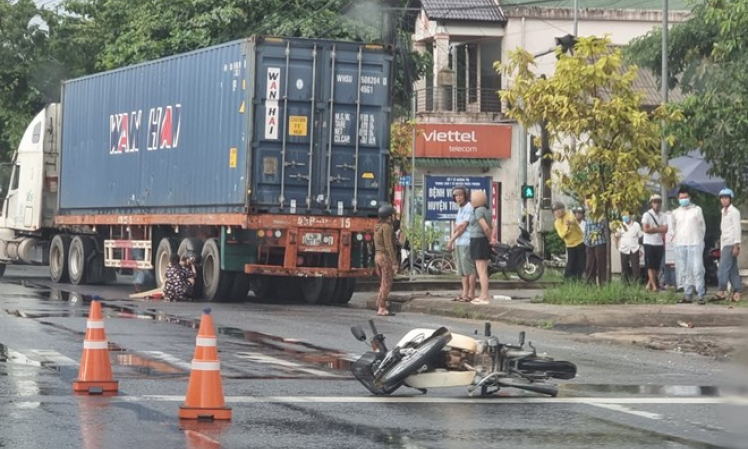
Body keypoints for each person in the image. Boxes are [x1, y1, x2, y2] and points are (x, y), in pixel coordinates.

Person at [672, 186, 706, 304]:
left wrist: (700, 240)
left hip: (695, 244)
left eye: (685, 197)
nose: (684, 199)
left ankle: (700, 294)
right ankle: (688, 294)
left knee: (697, 269)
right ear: (678, 199)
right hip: (681, 245)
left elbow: (702, 226)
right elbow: (674, 228)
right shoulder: (675, 213)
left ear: (689, 197)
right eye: (681, 198)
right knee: (684, 270)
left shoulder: (696, 210)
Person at [447, 186, 476, 302]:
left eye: (460, 195)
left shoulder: (469, 207)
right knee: (462, 271)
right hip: (459, 242)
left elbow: (462, 228)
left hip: (466, 242)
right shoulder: (460, 208)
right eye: (456, 196)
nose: (458, 198)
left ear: (465, 196)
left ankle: (471, 294)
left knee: (469, 269)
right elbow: (456, 227)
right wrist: (456, 230)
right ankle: (464, 293)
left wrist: (451, 240)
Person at [714, 188, 742, 302]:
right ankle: (737, 291)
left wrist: (736, 245)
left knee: (722, 268)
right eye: (722, 198)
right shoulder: (723, 212)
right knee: (733, 269)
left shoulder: (734, 212)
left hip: (731, 243)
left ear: (730, 199)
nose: (724, 200)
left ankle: (722, 290)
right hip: (725, 243)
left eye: (726, 198)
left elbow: (737, 229)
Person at [468, 190, 495, 304]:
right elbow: (492, 226)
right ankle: (483, 295)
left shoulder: (478, 210)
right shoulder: (486, 210)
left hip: (478, 240)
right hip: (481, 240)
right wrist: (491, 238)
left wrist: (490, 239)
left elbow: (486, 227)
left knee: (481, 270)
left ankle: (484, 296)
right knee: (482, 270)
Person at [373, 204, 398, 316]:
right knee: (386, 283)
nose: (394, 217)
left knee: (383, 282)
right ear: (389, 216)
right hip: (384, 256)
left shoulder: (377, 226)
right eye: (393, 215)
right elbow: (388, 245)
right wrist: (394, 262)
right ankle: (381, 307)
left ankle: (380, 304)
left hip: (378, 255)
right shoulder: (386, 227)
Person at [641, 194, 668, 292]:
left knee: (656, 266)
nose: (657, 204)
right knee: (650, 265)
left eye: (658, 202)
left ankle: (649, 284)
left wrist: (653, 228)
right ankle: (654, 286)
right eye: (654, 202)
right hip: (649, 242)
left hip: (659, 243)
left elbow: (665, 229)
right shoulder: (647, 215)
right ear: (651, 204)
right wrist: (658, 228)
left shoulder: (663, 215)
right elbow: (645, 229)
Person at [552, 202, 585, 280]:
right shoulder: (557, 222)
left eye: (559, 209)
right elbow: (561, 235)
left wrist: (570, 223)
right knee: (571, 263)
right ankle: (567, 280)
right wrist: (567, 228)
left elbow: (572, 220)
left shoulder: (569, 214)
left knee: (581, 262)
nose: (558, 212)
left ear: (563, 209)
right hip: (570, 244)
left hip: (580, 242)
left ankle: (578, 279)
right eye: (555, 211)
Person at [613, 211, 642, 285]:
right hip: (624, 249)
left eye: (626, 215)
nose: (624, 217)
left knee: (636, 267)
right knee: (624, 267)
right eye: (623, 216)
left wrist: (640, 249)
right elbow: (616, 236)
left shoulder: (636, 225)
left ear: (630, 216)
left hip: (634, 249)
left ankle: (636, 284)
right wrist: (616, 246)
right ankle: (625, 283)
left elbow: (640, 237)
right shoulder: (621, 225)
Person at [584, 201, 609, 285]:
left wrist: (593, 234)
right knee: (589, 264)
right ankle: (590, 284)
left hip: (600, 241)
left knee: (601, 264)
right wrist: (586, 240)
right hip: (589, 242)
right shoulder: (587, 214)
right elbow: (586, 228)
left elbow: (602, 227)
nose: (587, 205)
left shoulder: (601, 214)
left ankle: (603, 284)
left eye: (589, 204)